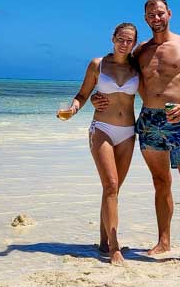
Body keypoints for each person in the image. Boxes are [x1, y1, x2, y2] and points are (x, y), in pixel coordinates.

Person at [93, 0, 180, 261]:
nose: (156, 18)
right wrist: (95, 97)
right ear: (145, 18)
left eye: (160, 13)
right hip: (149, 121)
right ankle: (164, 241)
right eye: (151, 14)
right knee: (160, 182)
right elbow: (115, 76)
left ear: (169, 14)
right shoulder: (140, 52)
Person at [57, 22, 140, 266]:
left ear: (134, 43)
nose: (125, 44)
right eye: (121, 39)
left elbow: (155, 89)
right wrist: (73, 108)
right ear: (113, 38)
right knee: (111, 185)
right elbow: (83, 94)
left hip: (128, 132)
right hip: (102, 129)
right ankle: (115, 249)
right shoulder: (98, 64)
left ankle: (104, 243)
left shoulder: (138, 67)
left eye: (130, 41)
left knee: (112, 190)